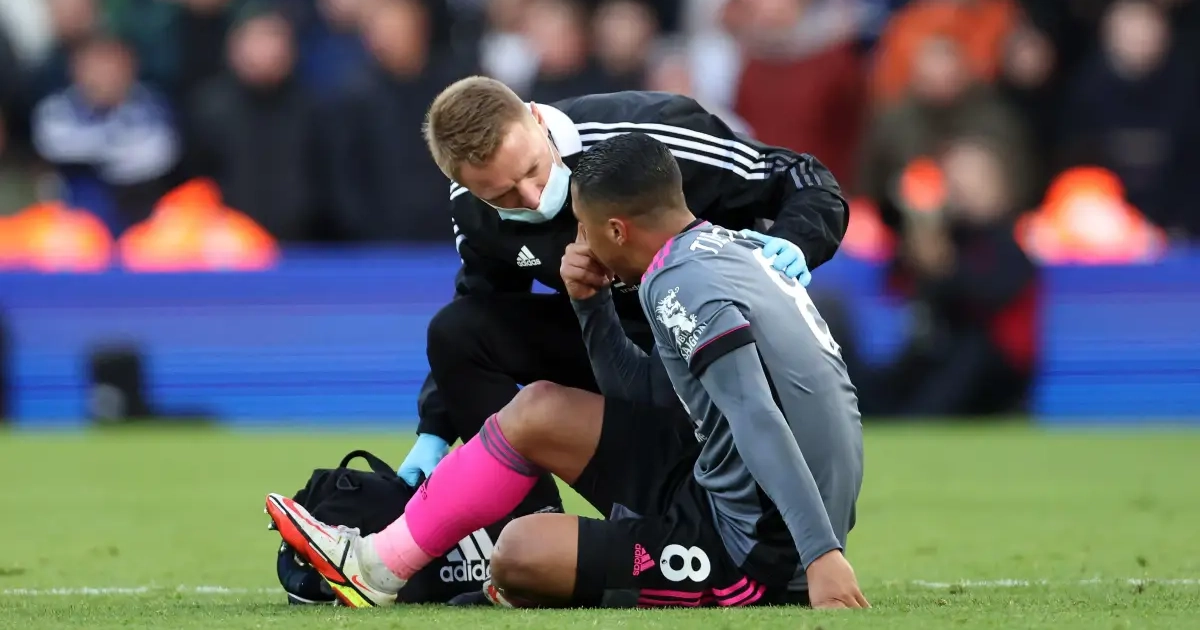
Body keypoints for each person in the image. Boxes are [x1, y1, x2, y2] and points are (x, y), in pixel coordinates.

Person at [266, 132, 867, 610]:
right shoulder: (723, 251)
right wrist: (590, 305)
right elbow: (654, 395)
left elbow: (757, 417)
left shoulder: (678, 286)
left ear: (615, 230)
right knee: (541, 407)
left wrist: (820, 555)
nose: (577, 240)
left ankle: (471, 564)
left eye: (582, 225)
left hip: (759, 548)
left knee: (520, 553)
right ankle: (378, 565)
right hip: (730, 486)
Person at [400, 77, 850, 515]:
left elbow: (800, 176)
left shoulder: (653, 134)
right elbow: (482, 296)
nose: (532, 198)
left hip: (713, 337)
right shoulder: (471, 205)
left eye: (533, 170)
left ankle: (683, 512)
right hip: (611, 342)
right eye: (504, 195)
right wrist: (436, 426)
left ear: (536, 119)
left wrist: (795, 242)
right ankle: (530, 530)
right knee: (457, 333)